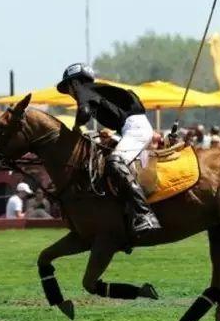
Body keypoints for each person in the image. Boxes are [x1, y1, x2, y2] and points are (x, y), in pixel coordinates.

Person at [56, 63, 160, 233]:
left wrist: (75, 129)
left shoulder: (83, 89)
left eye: (68, 88)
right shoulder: (97, 91)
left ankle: (144, 214)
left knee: (115, 162)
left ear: (74, 83)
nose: (70, 94)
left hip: (134, 128)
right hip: (130, 129)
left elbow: (84, 112)